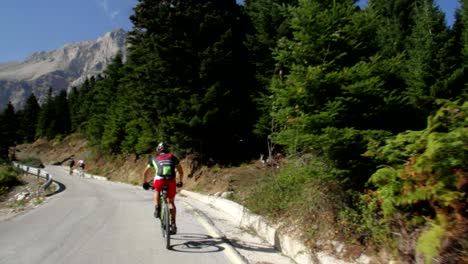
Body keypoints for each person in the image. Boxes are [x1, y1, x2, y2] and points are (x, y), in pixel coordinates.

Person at [142, 142, 184, 235]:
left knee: (157, 190)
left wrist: (145, 183)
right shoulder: (173, 157)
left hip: (159, 181)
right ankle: (173, 223)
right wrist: (180, 181)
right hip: (171, 181)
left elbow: (145, 173)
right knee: (171, 202)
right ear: (167, 150)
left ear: (158, 150)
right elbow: (181, 172)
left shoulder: (154, 159)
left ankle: (157, 208)